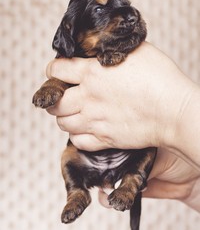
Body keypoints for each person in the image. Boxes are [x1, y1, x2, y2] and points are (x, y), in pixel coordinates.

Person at [46, 42, 200, 213]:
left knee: (145, 153)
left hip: (134, 160)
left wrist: (173, 114)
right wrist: (191, 187)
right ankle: (77, 192)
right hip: (90, 157)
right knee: (68, 158)